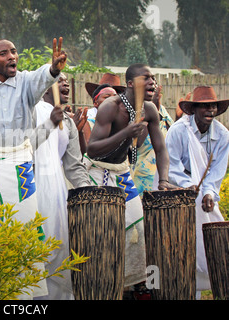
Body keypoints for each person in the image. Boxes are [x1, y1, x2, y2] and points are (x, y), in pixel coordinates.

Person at [0, 38, 67, 298]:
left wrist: (53, 70)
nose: (11, 57)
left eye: (14, 51)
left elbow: (42, 78)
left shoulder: (27, 83)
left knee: (25, 231)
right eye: (3, 53)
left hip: (21, 169)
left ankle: (25, 295)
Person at [86, 63, 176, 299]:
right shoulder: (110, 107)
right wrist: (126, 133)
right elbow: (93, 150)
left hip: (123, 171)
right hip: (98, 171)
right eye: (145, 78)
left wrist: (164, 179)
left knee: (138, 228)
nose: (152, 82)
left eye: (153, 78)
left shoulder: (149, 109)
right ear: (129, 84)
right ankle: (103, 285)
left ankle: (135, 286)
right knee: (104, 232)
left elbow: (161, 149)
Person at [165, 86, 229, 298]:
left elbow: (216, 173)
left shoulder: (222, 135)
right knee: (179, 245)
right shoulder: (178, 130)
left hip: (202, 193)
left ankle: (206, 286)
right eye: (205, 107)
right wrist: (187, 186)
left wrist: (209, 193)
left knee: (210, 237)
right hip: (176, 190)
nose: (210, 110)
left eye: (213, 106)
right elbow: (171, 166)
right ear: (193, 109)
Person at [33, 73, 90, 300]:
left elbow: (74, 165)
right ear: (44, 85)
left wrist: (86, 190)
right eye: (59, 79)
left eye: (68, 81)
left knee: (58, 248)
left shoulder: (67, 122)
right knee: (35, 250)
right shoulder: (31, 111)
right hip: (30, 188)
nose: (65, 83)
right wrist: (49, 122)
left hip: (57, 193)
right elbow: (23, 146)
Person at [131, 82, 174, 196]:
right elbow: (138, 142)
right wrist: (149, 116)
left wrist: (158, 110)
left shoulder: (162, 110)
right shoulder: (137, 111)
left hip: (161, 171)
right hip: (143, 175)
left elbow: (170, 135)